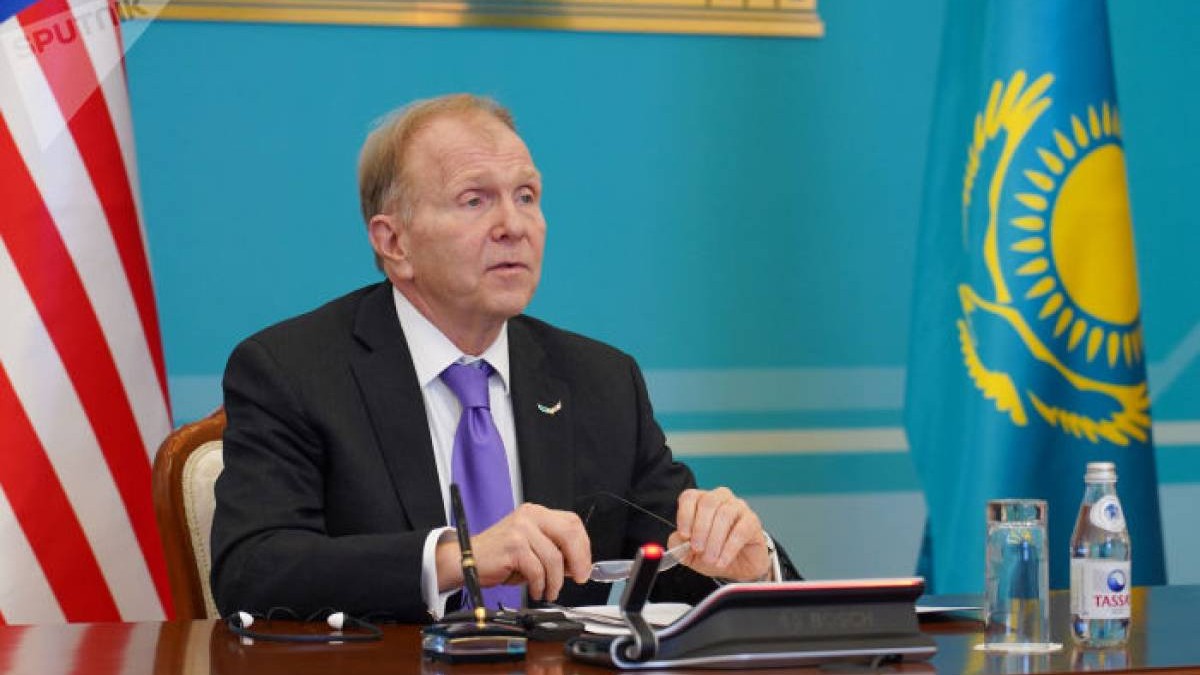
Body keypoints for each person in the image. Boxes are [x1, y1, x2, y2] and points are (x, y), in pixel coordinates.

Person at [210, 94, 795, 623]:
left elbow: (672, 560)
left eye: (526, 197)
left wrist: (744, 568)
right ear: (394, 242)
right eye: (475, 200)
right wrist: (458, 558)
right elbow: (254, 570)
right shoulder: (292, 371)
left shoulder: (601, 381)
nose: (513, 226)